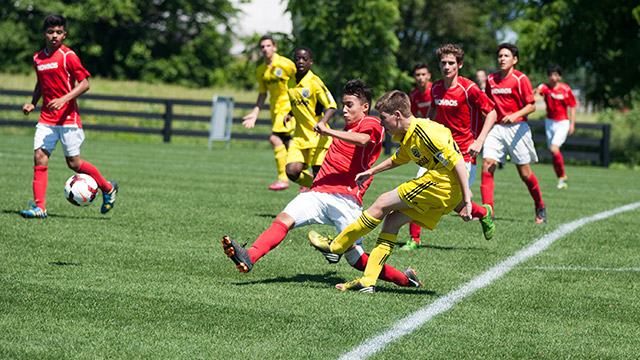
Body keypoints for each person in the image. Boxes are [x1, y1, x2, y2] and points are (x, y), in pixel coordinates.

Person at [221, 79, 424, 290]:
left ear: (364, 107)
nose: (344, 110)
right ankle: (249, 256)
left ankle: (405, 279)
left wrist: (328, 131)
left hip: (346, 199)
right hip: (317, 194)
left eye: (349, 105)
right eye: (343, 104)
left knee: (357, 260)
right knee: (283, 219)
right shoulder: (345, 130)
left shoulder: (371, 123)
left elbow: (363, 140)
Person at [309, 90, 473, 293]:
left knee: (382, 201)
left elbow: (458, 163)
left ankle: (335, 247)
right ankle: (368, 281)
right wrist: (370, 171)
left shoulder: (427, 132)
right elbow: (398, 159)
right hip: (444, 190)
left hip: (443, 185)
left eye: (384, 119)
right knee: (392, 221)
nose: (381, 124)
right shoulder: (407, 136)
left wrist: (467, 201)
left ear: (397, 115)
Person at [20, 14, 117, 219]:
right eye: (50, 32)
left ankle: (108, 188)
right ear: (44, 34)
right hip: (47, 118)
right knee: (39, 157)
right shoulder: (38, 58)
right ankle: (40, 208)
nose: (54, 36)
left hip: (68, 118)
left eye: (58, 32)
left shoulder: (68, 56)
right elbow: (41, 84)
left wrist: (64, 99)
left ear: (64, 35)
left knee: (74, 164)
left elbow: (85, 84)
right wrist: (33, 103)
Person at [482, 43, 546, 223]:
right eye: (500, 56)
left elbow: (532, 105)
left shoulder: (521, 79)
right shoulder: (491, 80)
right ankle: (488, 213)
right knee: (487, 164)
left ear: (515, 60)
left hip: (518, 128)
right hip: (496, 128)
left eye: (506, 56)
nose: (502, 59)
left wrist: (514, 115)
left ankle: (540, 205)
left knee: (525, 174)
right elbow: (488, 105)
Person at [242, 35, 297, 191]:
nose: (265, 49)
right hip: (275, 110)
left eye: (268, 46)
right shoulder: (261, 71)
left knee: (275, 138)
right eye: (262, 47)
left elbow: (302, 80)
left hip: (288, 109)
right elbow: (262, 93)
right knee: (288, 142)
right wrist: (255, 112)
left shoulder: (286, 64)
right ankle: (302, 176)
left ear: (275, 47)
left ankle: (283, 178)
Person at [282, 46, 336, 189]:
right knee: (292, 172)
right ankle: (315, 187)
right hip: (300, 137)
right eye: (298, 58)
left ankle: (319, 192)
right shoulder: (290, 82)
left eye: (304, 59)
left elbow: (332, 105)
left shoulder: (315, 82)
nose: (300, 61)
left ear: (310, 62)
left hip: (318, 136)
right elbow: (299, 105)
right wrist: (290, 114)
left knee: (318, 173)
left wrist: (322, 123)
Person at [401, 62, 433, 250]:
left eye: (423, 74)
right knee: (419, 189)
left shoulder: (436, 91)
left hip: (446, 146)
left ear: (429, 75)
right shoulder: (413, 95)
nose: (420, 78)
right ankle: (415, 238)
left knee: (457, 200)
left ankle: (481, 212)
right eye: (417, 75)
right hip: (428, 148)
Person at [534, 64, 577, 189]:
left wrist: (572, 124)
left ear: (559, 76)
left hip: (563, 122)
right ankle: (561, 177)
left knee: (554, 148)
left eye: (555, 75)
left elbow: (572, 106)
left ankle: (562, 176)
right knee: (554, 152)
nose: (553, 77)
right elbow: (537, 92)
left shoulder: (566, 89)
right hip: (550, 122)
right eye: (550, 75)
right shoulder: (545, 87)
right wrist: (535, 92)